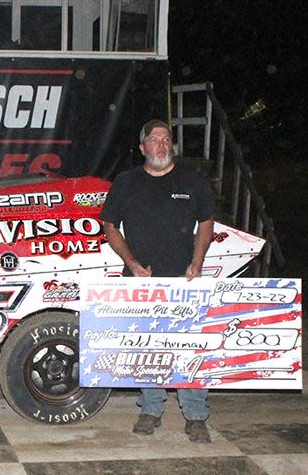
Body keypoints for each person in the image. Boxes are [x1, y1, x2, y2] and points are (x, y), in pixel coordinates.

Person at [100, 119, 215, 443]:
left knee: (190, 351)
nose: (162, 146)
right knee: (147, 351)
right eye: (154, 140)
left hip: (185, 283)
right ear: (142, 148)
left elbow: (206, 224)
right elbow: (110, 227)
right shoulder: (125, 182)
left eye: (166, 140)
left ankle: (195, 416)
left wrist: (197, 262)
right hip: (142, 284)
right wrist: (131, 263)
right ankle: (150, 410)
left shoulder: (192, 180)